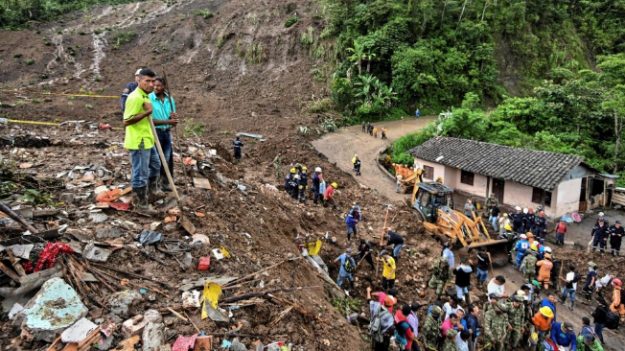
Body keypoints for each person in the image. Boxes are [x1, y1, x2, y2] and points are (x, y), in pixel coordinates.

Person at [123, 68, 160, 212]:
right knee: (141, 173)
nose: (151, 84)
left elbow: (149, 119)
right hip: (139, 141)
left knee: (156, 165)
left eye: (153, 81)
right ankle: (140, 204)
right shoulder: (135, 97)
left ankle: (151, 192)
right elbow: (126, 121)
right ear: (139, 80)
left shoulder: (146, 96)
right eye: (148, 81)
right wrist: (147, 112)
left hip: (148, 139)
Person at [148, 77, 177, 191]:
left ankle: (166, 182)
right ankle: (155, 184)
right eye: (154, 85)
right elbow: (150, 120)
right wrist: (168, 121)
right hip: (156, 132)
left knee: (168, 158)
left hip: (166, 132)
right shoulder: (149, 99)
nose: (155, 87)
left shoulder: (170, 99)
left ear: (164, 86)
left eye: (159, 86)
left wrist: (173, 120)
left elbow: (172, 117)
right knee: (158, 159)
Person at [367, 286, 395, 351]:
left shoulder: (376, 305)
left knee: (374, 346)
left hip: (373, 330)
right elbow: (391, 329)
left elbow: (368, 301)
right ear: (391, 305)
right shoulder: (389, 316)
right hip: (382, 337)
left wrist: (368, 291)